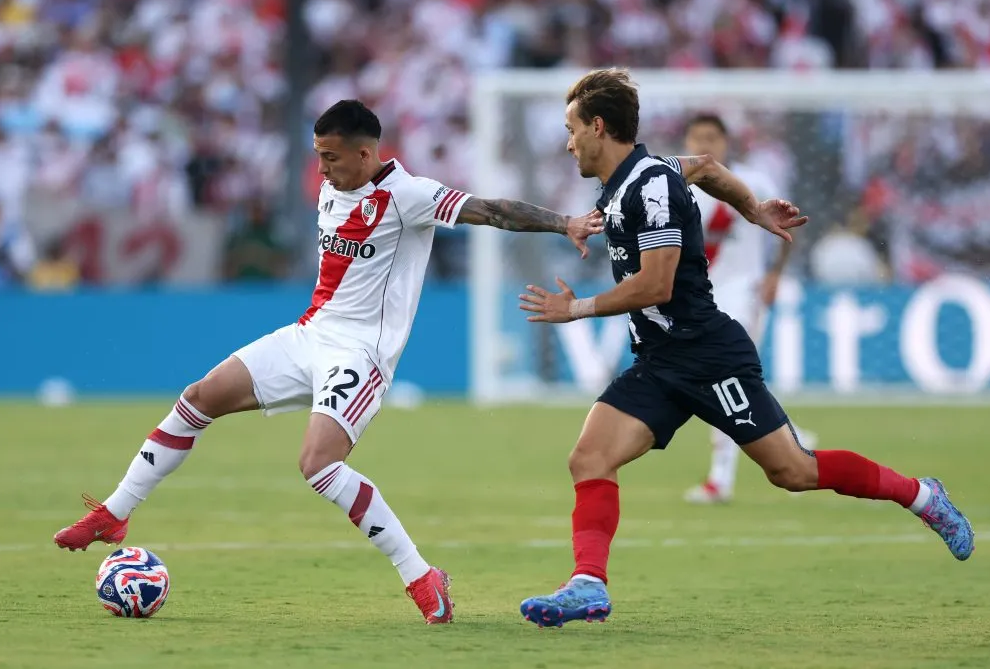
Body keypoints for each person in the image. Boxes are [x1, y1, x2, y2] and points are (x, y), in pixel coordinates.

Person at [53, 99, 604, 625]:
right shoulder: (333, 185)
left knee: (317, 463)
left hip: (361, 354)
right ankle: (115, 513)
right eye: (318, 156)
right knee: (199, 397)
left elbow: (492, 210)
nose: (322, 168)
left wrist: (564, 223)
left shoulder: (409, 195)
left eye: (331, 158)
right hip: (309, 333)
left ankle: (420, 575)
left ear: (366, 155)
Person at [516, 69, 974, 628]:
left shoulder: (651, 184)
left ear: (597, 125)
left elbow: (657, 285)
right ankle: (588, 584)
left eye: (571, 130)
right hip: (660, 362)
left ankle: (923, 497)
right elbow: (705, 169)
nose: (567, 143)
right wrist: (752, 209)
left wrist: (578, 308)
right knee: (589, 457)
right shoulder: (632, 182)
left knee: (794, 472)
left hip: (709, 356)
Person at [676, 113, 818, 505]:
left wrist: (774, 274)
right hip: (702, 297)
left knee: (723, 376)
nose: (705, 144)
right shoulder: (675, 188)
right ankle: (795, 439)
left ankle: (720, 480)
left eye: (712, 137)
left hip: (745, 292)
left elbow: (790, 226)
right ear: (686, 141)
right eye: (697, 136)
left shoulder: (752, 183)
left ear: (726, 143)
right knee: (737, 383)